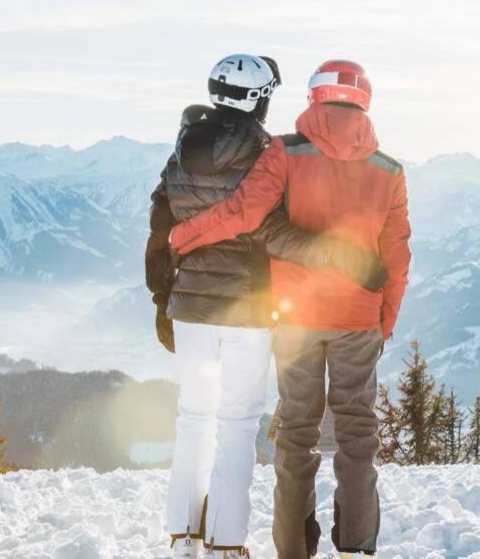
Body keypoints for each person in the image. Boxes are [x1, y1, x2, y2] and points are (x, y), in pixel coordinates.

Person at [145, 55, 387, 559]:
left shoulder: (181, 148)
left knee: (192, 416)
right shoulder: (267, 152)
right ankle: (227, 542)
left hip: (187, 304)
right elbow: (267, 228)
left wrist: (162, 299)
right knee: (237, 422)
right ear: (260, 98)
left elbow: (159, 229)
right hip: (248, 308)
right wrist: (334, 255)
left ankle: (182, 532)